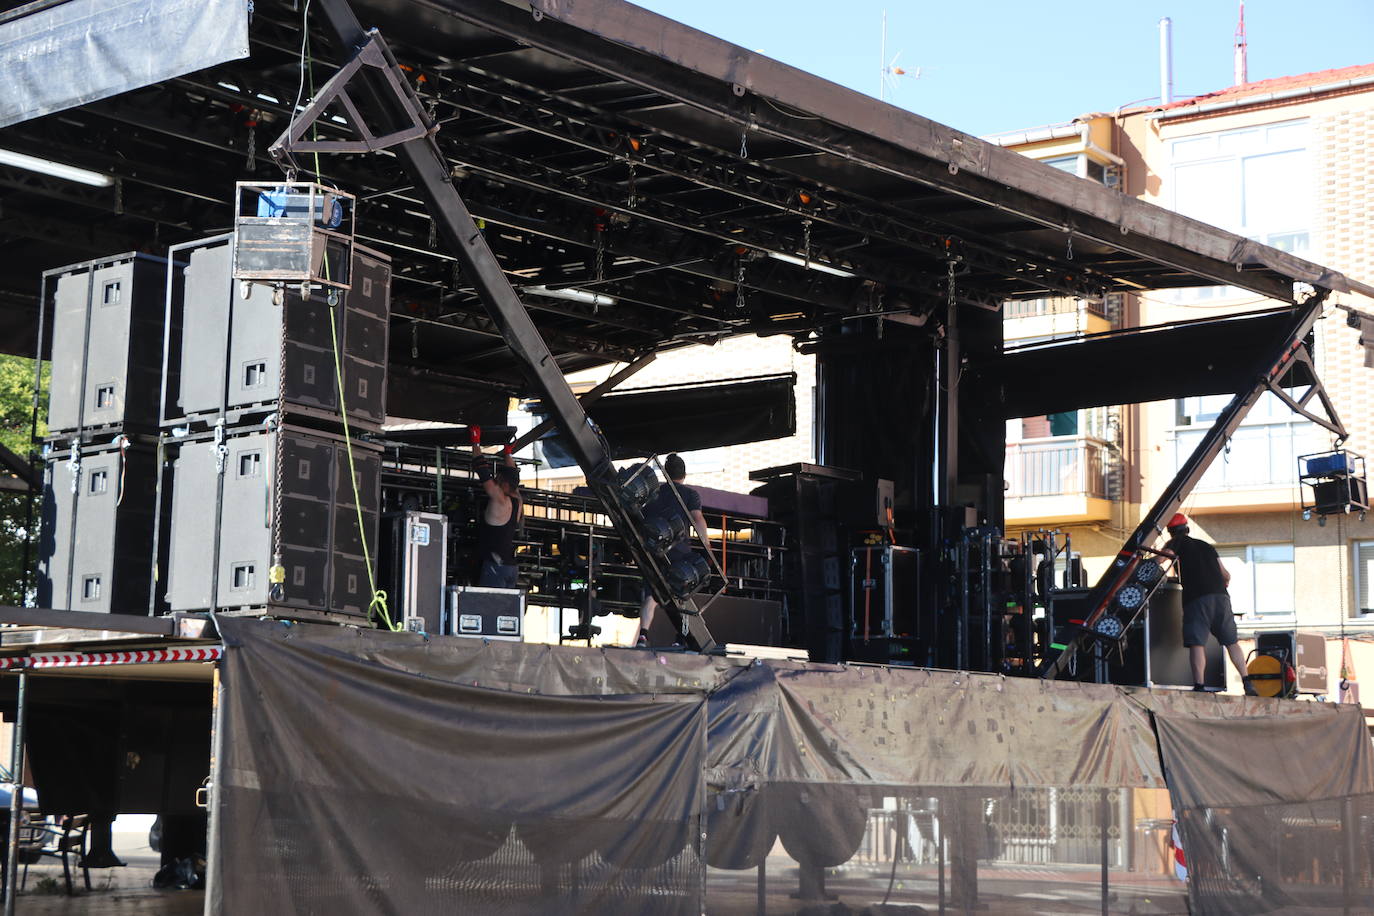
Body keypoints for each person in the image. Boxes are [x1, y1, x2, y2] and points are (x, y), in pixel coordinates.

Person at [1163, 513, 1257, 695]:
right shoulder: (1206, 546)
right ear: (1187, 528)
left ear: (1171, 532)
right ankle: (1247, 683)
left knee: (1197, 643)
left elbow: (1161, 558)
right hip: (1222, 598)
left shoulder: (1177, 542)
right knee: (1231, 642)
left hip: (1197, 599)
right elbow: (1226, 575)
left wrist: (1147, 562)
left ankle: (1199, 685)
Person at [636, 453, 712, 647]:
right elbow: (698, 519)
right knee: (683, 591)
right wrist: (707, 545)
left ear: (666, 474)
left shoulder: (653, 494)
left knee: (651, 595)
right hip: (679, 550)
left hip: (653, 551)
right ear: (684, 474)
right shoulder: (690, 494)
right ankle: (680, 638)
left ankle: (643, 635)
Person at [472, 427, 522, 589]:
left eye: (498, 479)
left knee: (488, 607)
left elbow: (483, 473)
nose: (496, 480)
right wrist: (508, 453)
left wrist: (476, 443)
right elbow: (513, 474)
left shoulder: (500, 499)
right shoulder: (518, 500)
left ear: (504, 483)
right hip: (509, 568)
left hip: (496, 567)